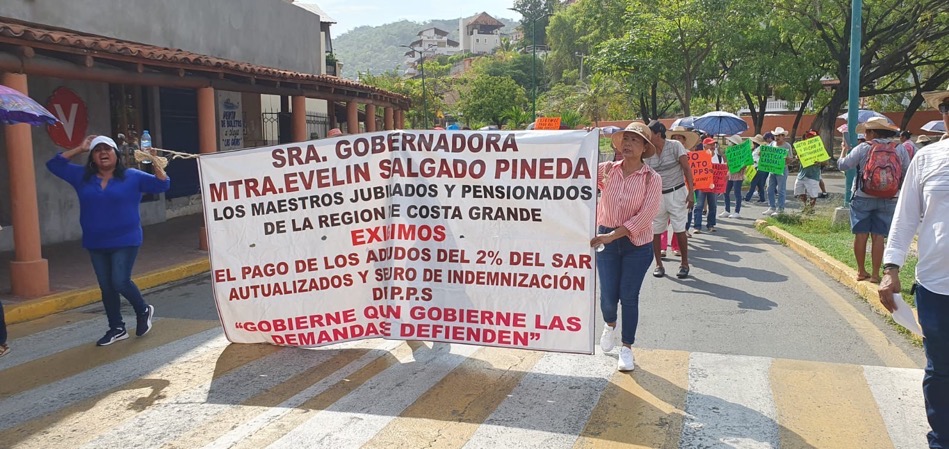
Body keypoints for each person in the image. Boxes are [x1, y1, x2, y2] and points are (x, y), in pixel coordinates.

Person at [46, 135, 171, 346]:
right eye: (97, 150)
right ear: (92, 157)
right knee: (107, 287)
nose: (103, 153)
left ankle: (142, 309)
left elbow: (163, 185)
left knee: (120, 280)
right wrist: (80, 147)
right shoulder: (82, 176)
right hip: (95, 241)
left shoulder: (132, 176)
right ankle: (117, 328)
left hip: (126, 238)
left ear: (117, 154)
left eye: (108, 149)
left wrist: (156, 162)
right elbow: (54, 164)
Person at [879, 85, 949, 448]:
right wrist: (891, 268)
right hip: (936, 287)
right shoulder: (927, 158)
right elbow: (905, 218)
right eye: (948, 107)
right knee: (940, 372)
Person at [591, 122, 662, 372]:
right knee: (608, 297)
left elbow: (646, 216)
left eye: (635, 140)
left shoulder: (652, 179)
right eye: (625, 139)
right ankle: (610, 324)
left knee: (629, 297)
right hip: (605, 241)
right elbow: (574, 171)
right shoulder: (606, 170)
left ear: (644, 147)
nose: (628, 144)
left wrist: (614, 235)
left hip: (636, 245)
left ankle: (627, 348)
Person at [837, 117, 911, 284]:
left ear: (871, 132)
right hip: (890, 197)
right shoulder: (899, 149)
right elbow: (907, 172)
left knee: (861, 235)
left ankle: (862, 271)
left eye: (866, 131)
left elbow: (843, 165)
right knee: (879, 237)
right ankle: (876, 275)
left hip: (863, 196)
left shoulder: (863, 147)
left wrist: (844, 150)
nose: (865, 134)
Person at [645, 121, 695, 279]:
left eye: (649, 133)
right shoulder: (647, 151)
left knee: (680, 229)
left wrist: (691, 192)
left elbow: (686, 168)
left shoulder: (675, 146)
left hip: (677, 192)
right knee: (656, 231)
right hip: (657, 195)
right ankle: (659, 265)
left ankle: (684, 263)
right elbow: (645, 175)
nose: (647, 137)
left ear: (658, 134)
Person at [763, 127, 795, 216]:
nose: (777, 137)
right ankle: (771, 207)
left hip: (782, 170)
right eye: (776, 135)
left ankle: (780, 209)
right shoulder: (772, 144)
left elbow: (790, 160)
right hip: (772, 170)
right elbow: (766, 154)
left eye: (779, 135)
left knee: (781, 190)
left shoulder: (787, 146)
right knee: (769, 189)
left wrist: (787, 158)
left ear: (783, 136)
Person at [721, 134, 745, 219]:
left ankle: (737, 211)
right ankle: (727, 210)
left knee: (737, 193)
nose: (729, 143)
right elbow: (727, 163)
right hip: (730, 174)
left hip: (738, 176)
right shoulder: (729, 151)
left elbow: (744, 164)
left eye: (730, 142)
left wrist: (738, 167)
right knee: (725, 191)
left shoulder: (742, 153)